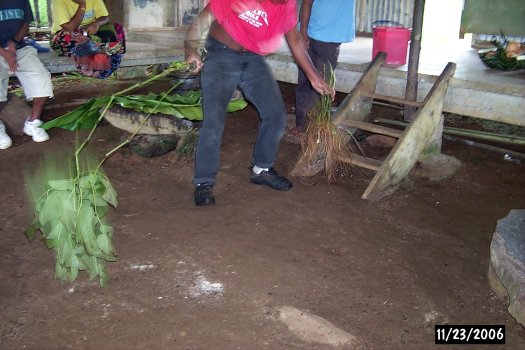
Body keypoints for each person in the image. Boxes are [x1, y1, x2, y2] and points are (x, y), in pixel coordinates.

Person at [185, 0, 334, 206]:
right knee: (214, 122)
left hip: (253, 59)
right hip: (220, 55)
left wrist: (313, 76)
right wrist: (191, 49)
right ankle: (204, 182)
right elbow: (201, 22)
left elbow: (295, 39)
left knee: (275, 116)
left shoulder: (287, 4)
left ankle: (261, 169)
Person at [286, 0, 355, 143]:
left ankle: (317, 126)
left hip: (331, 37)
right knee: (305, 81)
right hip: (310, 33)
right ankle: (303, 124)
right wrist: (303, 33)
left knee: (322, 84)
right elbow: (307, 3)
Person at [0, 0, 53, 150]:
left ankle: (32, 123)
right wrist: (4, 53)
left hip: (20, 48)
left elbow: (25, 22)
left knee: (42, 80)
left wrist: (14, 43)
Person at [50, 0, 125, 79]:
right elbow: (70, 27)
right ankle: (101, 48)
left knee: (114, 28)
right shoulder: (58, 1)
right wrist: (82, 5)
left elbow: (105, 17)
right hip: (64, 35)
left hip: (87, 33)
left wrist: (97, 23)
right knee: (69, 37)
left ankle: (96, 48)